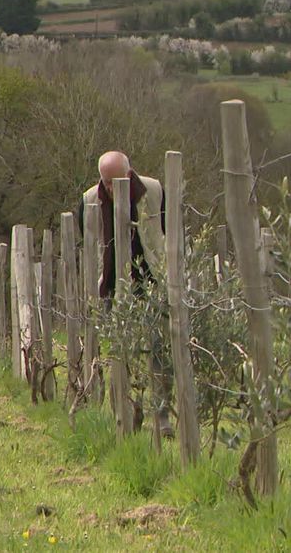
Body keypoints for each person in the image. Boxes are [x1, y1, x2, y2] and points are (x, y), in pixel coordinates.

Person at [77, 151, 172, 436]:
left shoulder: (153, 191)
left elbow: (165, 230)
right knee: (119, 353)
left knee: (159, 350)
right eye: (106, 182)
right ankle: (126, 414)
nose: (111, 188)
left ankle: (163, 416)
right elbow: (88, 240)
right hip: (110, 286)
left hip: (151, 282)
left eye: (118, 181)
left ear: (130, 175)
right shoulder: (88, 200)